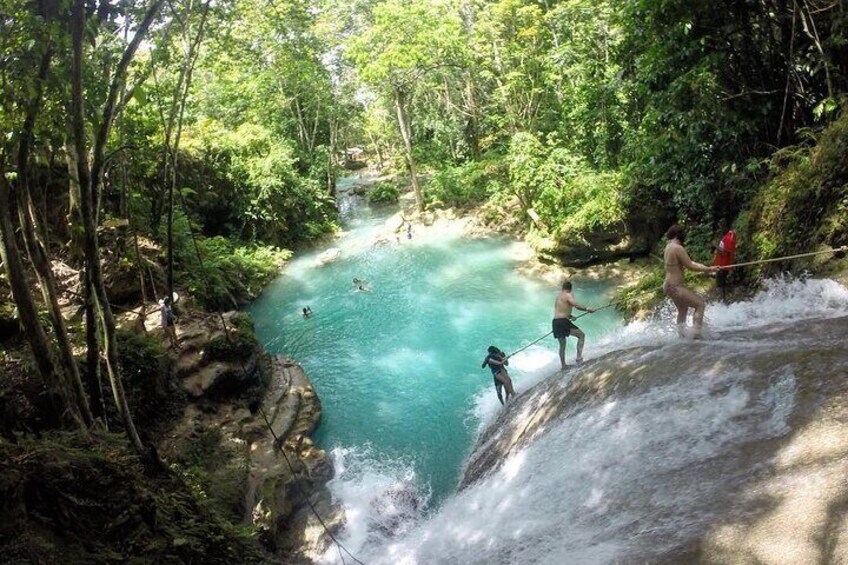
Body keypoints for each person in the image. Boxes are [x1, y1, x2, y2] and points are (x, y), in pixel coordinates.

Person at [663, 224, 719, 339]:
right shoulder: (678, 248)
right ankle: (695, 336)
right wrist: (708, 269)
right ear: (679, 235)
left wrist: (707, 268)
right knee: (700, 304)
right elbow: (691, 266)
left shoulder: (668, 247)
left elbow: (690, 262)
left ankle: (682, 337)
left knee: (683, 309)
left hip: (668, 286)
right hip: (675, 286)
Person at [553, 281, 595, 369]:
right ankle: (579, 358)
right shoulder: (568, 295)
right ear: (570, 289)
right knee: (581, 335)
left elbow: (559, 310)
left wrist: (570, 316)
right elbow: (575, 305)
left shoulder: (558, 297)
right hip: (563, 321)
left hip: (555, 322)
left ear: (562, 288)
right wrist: (587, 309)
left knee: (562, 345)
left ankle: (563, 365)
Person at [710, 220, 737, 302]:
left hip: (723, 266)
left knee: (721, 285)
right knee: (721, 285)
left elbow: (725, 253)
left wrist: (715, 245)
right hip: (721, 265)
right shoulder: (726, 237)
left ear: (725, 227)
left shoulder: (729, 238)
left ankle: (722, 303)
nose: (720, 229)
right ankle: (723, 301)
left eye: (721, 227)